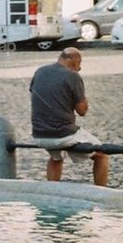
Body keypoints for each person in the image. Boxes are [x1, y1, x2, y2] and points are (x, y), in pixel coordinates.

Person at [29, 47, 108, 186]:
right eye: (79, 63)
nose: (80, 67)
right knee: (101, 154)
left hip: (39, 134)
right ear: (73, 61)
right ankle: (101, 193)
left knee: (56, 157)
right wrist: (81, 96)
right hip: (62, 134)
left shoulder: (40, 71)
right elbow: (82, 111)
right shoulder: (73, 76)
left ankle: (52, 191)